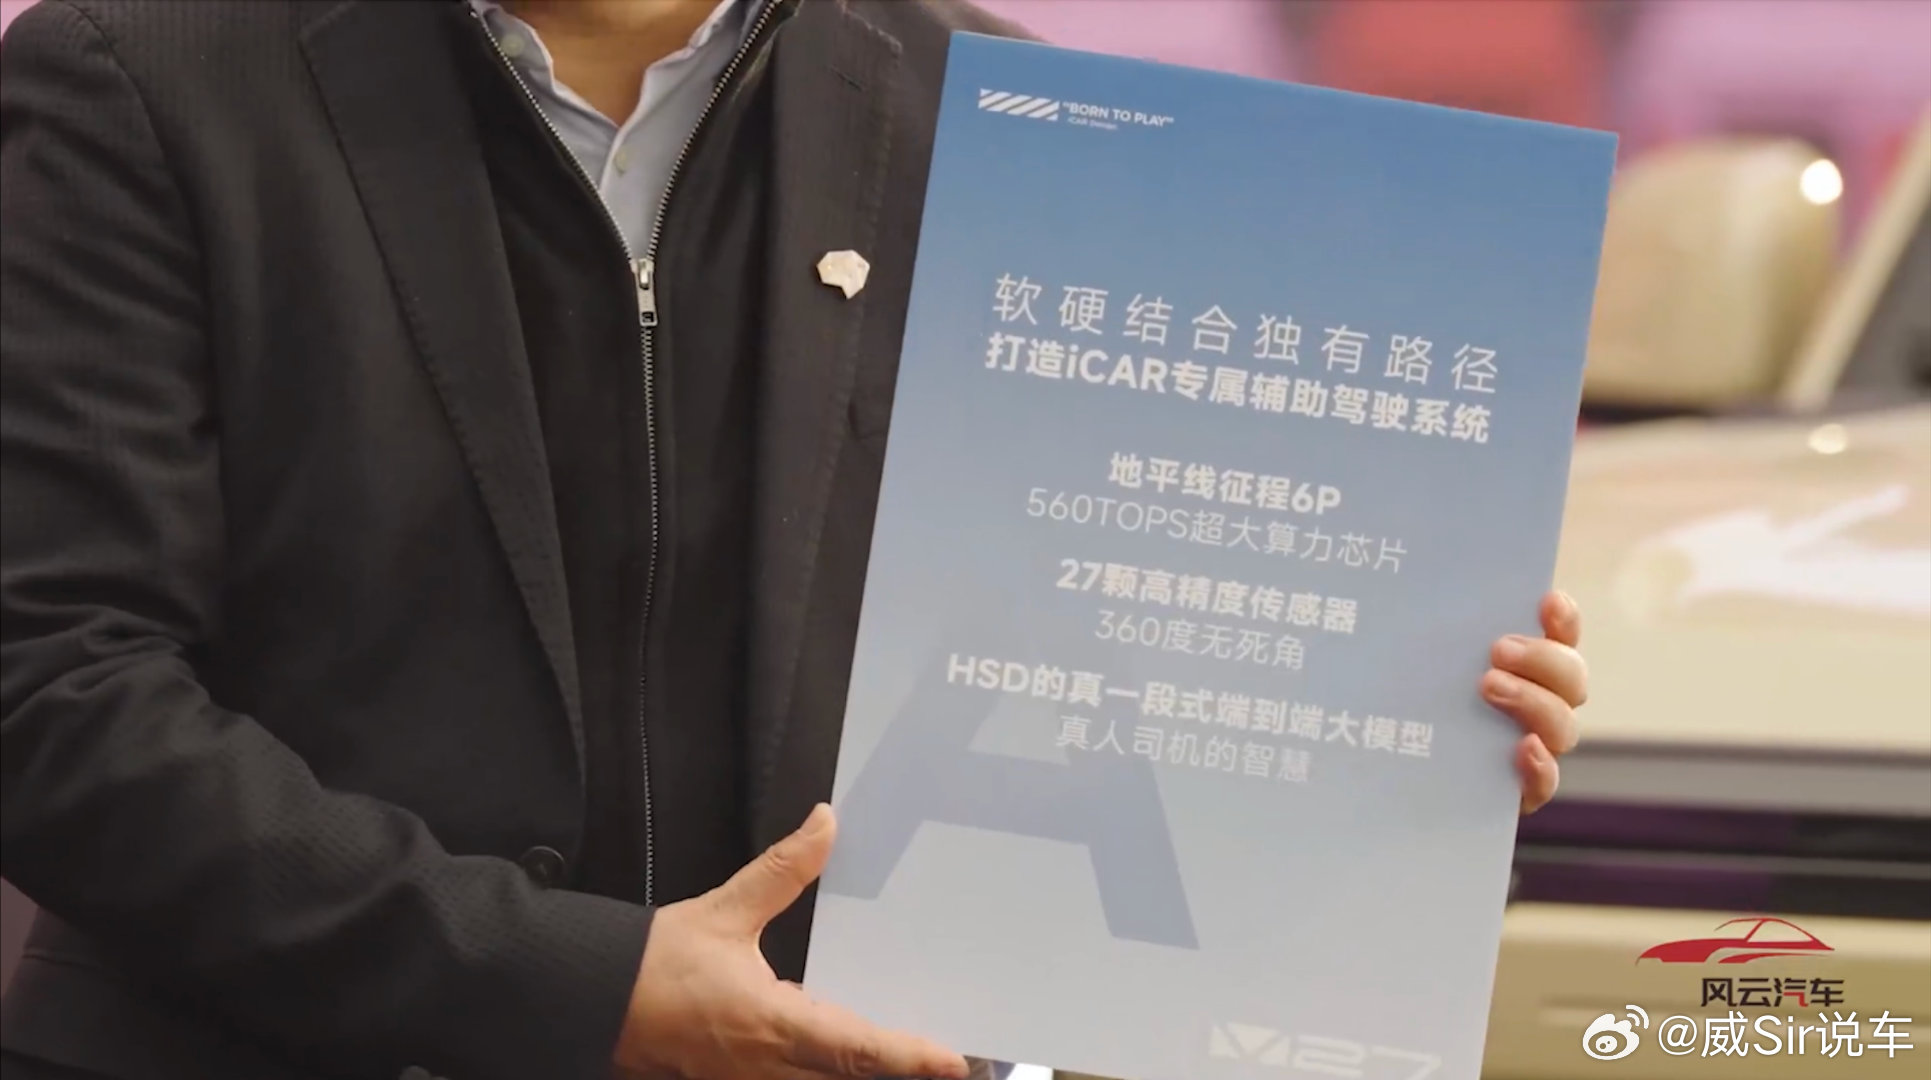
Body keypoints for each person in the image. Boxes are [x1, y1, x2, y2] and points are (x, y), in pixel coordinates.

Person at [0, 1, 1590, 1077]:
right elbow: (53, 684)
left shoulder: (1027, 128)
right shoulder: (147, 78)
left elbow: (1114, 668)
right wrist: (576, 987)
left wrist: (1390, 739)